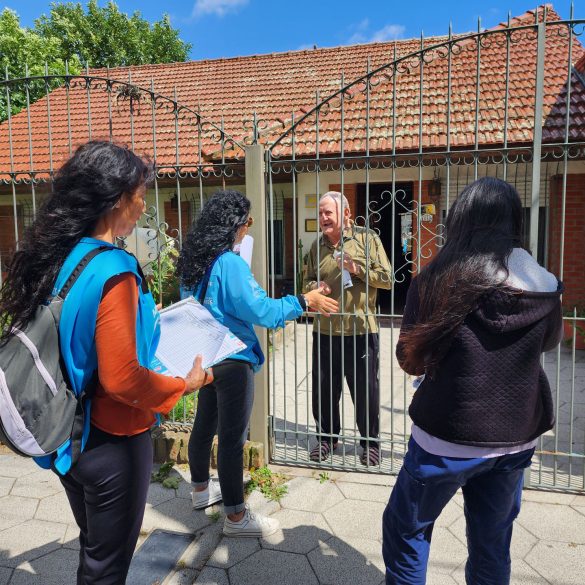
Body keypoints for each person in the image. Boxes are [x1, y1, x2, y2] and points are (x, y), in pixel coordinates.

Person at [0, 140, 210, 585]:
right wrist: (184, 385)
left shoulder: (65, 254)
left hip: (68, 435)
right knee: (107, 569)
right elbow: (123, 378)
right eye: (140, 195)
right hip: (113, 441)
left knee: (95, 547)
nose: (143, 205)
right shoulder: (115, 268)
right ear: (116, 199)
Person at [382, 177, 563, 585]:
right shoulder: (545, 284)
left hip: (445, 439)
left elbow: (410, 361)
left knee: (407, 529)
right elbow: (550, 342)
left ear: (459, 220)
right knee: (492, 543)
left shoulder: (435, 280)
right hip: (515, 438)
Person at [178, 189, 338, 538]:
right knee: (232, 440)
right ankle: (236, 517)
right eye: (247, 221)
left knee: (204, 425)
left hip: (206, 358)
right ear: (233, 224)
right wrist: (303, 301)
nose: (248, 228)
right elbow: (262, 311)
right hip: (233, 360)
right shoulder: (229, 263)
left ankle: (200, 491)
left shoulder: (194, 262)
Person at [303, 191, 392, 466]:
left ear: (346, 213)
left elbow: (387, 278)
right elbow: (305, 281)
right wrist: (314, 287)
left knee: (366, 392)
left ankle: (370, 443)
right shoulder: (317, 246)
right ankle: (327, 439)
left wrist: (357, 268)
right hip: (325, 330)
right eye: (320, 213)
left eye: (328, 212)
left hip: (361, 329)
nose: (323, 217)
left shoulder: (367, 239)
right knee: (324, 391)